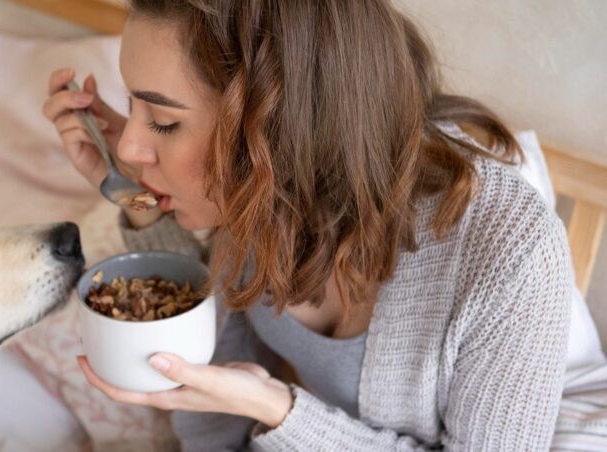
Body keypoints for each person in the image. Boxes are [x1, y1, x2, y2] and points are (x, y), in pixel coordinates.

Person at [42, 0, 573, 450]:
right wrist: (135, 192)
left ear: (279, 126)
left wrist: (281, 413)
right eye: (132, 104)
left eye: (164, 120)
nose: (131, 145)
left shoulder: (512, 253)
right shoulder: (263, 191)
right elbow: (214, 359)